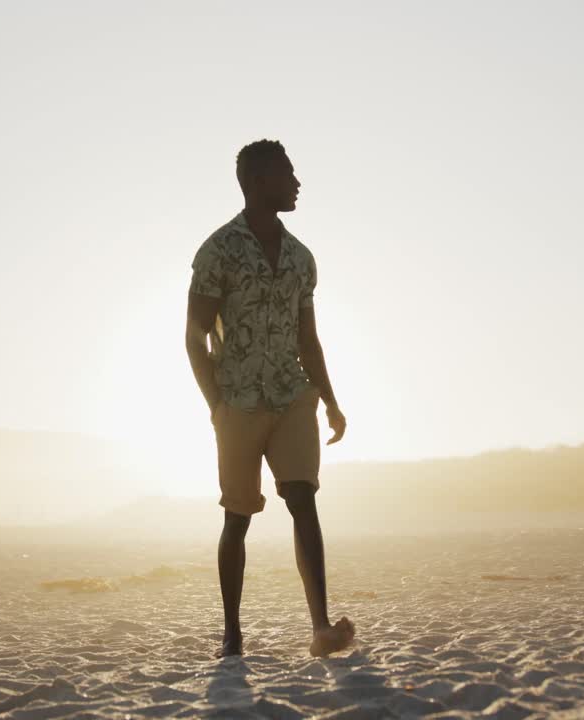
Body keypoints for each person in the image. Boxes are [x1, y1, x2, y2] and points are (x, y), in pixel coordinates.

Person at [185, 139, 356, 659]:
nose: (298, 183)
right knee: (237, 518)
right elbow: (193, 337)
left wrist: (329, 399)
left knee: (303, 500)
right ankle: (233, 637)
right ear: (259, 182)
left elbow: (309, 336)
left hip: (291, 399)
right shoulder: (219, 251)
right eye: (288, 175)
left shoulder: (302, 259)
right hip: (237, 402)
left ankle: (322, 627)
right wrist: (216, 405)